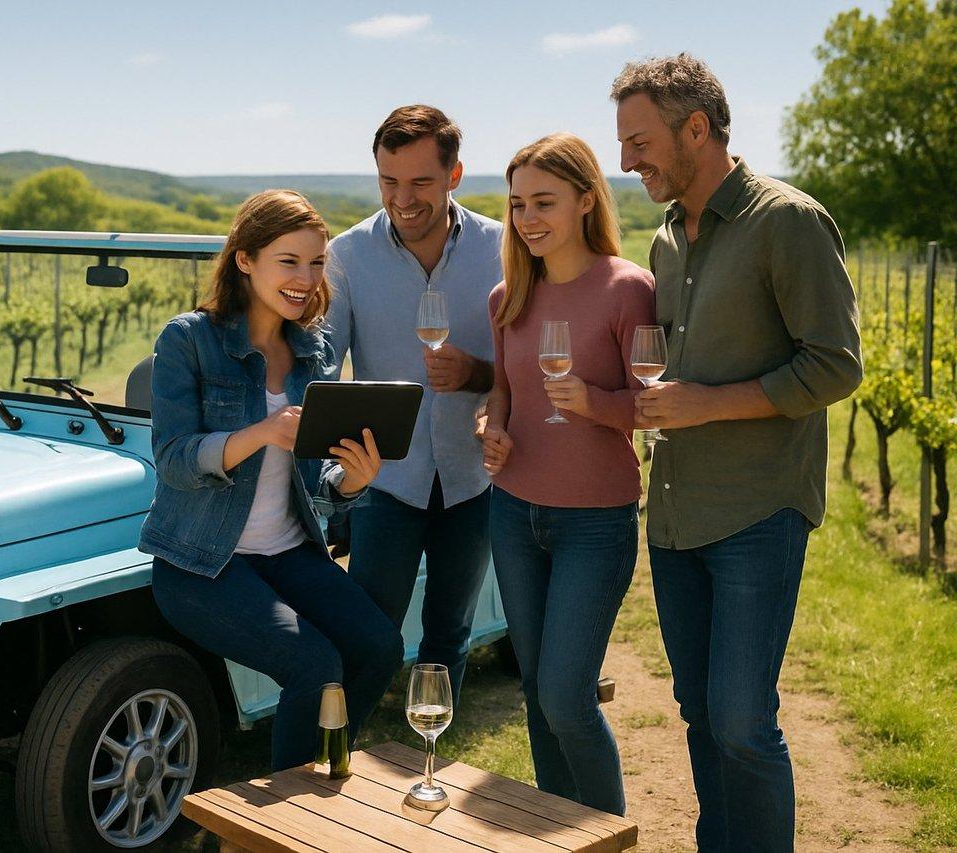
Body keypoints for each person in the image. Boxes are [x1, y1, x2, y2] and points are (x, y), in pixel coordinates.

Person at [612, 54, 862, 850]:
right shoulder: (665, 241)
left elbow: (835, 363)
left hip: (757, 509)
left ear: (698, 128)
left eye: (641, 140)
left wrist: (705, 405)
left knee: (742, 720)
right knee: (697, 712)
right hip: (678, 513)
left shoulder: (786, 221)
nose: (627, 161)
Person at [138, 189, 403, 772]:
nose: (305, 278)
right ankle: (287, 815)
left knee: (379, 648)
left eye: (315, 263)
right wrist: (260, 432)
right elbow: (176, 459)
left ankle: (325, 767)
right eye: (289, 261)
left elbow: (318, 477)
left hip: (288, 553)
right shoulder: (189, 341)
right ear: (245, 260)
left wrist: (352, 481)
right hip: (200, 563)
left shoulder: (315, 350)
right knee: (314, 664)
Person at [479, 133, 653, 816]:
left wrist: (597, 404)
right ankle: (557, 826)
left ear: (586, 199)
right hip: (513, 510)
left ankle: (604, 833)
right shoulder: (507, 296)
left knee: (566, 696)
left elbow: (655, 403)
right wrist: (489, 429)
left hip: (595, 522)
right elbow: (504, 390)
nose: (527, 218)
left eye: (543, 202)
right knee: (534, 689)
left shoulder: (627, 288)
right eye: (519, 203)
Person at [325, 105, 503, 703]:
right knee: (371, 636)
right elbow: (323, 369)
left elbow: (532, 364)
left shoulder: (503, 248)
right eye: (389, 181)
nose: (402, 198)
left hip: (473, 481)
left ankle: (428, 760)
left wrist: (478, 372)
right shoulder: (346, 256)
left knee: (449, 636)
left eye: (421, 182)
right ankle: (340, 766)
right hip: (387, 484)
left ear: (454, 176)